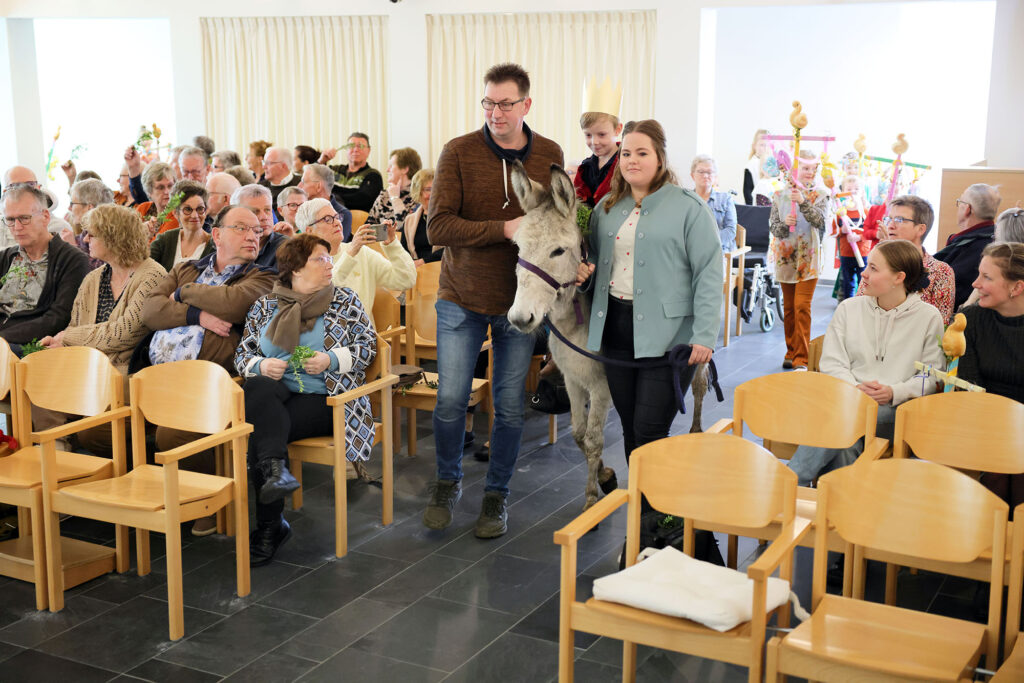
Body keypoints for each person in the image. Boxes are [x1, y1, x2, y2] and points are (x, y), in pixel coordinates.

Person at [423, 62, 564, 538]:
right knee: (449, 401)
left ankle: (496, 496)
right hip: (461, 296)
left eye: (506, 103)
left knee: (508, 406)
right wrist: (501, 229)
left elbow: (559, 222)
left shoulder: (549, 153)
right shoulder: (458, 152)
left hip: (519, 303)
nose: (495, 112)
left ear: (527, 104)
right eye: (488, 102)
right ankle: (447, 482)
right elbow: (437, 228)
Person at [585, 119, 721, 485]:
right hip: (616, 330)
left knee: (649, 430)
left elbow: (708, 272)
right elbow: (595, 263)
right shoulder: (607, 208)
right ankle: (647, 514)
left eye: (641, 153)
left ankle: (662, 513)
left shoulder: (689, 207)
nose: (632, 160)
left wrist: (705, 334)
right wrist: (585, 274)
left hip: (671, 336)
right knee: (631, 430)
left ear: (660, 158)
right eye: (626, 153)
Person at [235, 233, 376, 565]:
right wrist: (260, 364)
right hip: (279, 396)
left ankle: (271, 524)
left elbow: (368, 347)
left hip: (329, 399)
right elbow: (244, 355)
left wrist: (332, 360)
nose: (329, 264)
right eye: (320, 259)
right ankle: (275, 478)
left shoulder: (345, 300)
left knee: (259, 428)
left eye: (329, 258)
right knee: (257, 389)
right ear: (295, 269)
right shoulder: (266, 305)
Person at [139, 205, 275, 535]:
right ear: (216, 235)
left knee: (170, 434)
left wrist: (183, 294)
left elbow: (234, 303)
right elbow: (149, 309)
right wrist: (195, 316)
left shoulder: (263, 276)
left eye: (256, 230)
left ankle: (205, 501)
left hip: (211, 382)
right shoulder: (186, 267)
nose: (252, 236)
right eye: (242, 228)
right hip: (158, 378)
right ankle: (156, 496)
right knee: (100, 428)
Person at [787, 239, 944, 485]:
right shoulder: (849, 308)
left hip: (896, 413)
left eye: (873, 268)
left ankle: (787, 482)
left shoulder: (928, 317)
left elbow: (933, 376)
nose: (864, 273)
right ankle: (837, 509)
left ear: (898, 277)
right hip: (848, 403)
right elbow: (832, 363)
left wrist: (894, 391)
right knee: (847, 444)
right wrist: (856, 391)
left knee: (843, 419)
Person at [41, 204, 166, 372]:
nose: (85, 240)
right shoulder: (93, 278)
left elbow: (125, 333)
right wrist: (60, 343)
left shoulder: (152, 276)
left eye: (91, 235)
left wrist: (68, 338)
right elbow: (75, 326)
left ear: (113, 238)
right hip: (85, 365)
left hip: (126, 374)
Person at [959, 242, 1024, 508]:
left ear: (1016, 287)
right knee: (997, 470)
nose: (975, 284)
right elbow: (969, 386)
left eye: (986, 277)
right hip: (984, 423)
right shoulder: (969, 320)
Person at [296, 198, 415, 327]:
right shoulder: (301, 263)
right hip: (324, 340)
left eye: (336, 217)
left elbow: (406, 280)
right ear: (309, 231)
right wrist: (351, 252)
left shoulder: (362, 253)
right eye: (327, 219)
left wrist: (392, 245)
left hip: (363, 340)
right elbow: (326, 298)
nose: (337, 223)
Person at [0, 185, 91, 350]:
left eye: (24, 218)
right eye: (10, 220)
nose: (17, 227)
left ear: (45, 216)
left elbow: (57, 318)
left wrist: (2, 338)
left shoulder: (73, 260)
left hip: (35, 345)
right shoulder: (5, 258)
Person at [769, 149, 829, 370]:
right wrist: (784, 222)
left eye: (813, 169)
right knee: (789, 308)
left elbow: (819, 221)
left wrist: (804, 202)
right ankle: (790, 350)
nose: (810, 173)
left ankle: (801, 358)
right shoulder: (778, 196)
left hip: (808, 257)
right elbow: (775, 229)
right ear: (794, 169)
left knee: (802, 306)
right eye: (805, 168)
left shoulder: (822, 194)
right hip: (785, 259)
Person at [856, 195, 954, 324]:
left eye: (899, 220)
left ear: (920, 229)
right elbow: (859, 307)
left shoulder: (941, 271)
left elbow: (940, 326)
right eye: (888, 219)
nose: (890, 225)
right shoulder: (876, 264)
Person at [935, 183, 1000, 309]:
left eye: (959, 202)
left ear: (967, 209)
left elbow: (947, 292)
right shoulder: (994, 241)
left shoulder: (977, 247)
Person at [149, 180, 215, 271]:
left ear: (206, 211)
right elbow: (142, 265)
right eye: (187, 209)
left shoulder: (214, 246)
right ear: (176, 213)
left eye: (200, 209)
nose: (194, 215)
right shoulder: (165, 240)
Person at [319, 133, 384, 213]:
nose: (355, 150)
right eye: (351, 146)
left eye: (360, 146)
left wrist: (330, 197)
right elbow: (309, 182)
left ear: (368, 150)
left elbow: (363, 200)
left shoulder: (373, 175)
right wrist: (321, 161)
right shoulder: (333, 170)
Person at [831, 174, 870, 302]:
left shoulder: (866, 212)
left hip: (863, 253)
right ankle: (848, 305)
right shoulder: (840, 213)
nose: (853, 192)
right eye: (849, 189)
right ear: (842, 192)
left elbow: (871, 232)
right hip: (846, 253)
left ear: (862, 192)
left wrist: (859, 237)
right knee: (847, 282)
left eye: (856, 189)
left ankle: (863, 305)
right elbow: (833, 232)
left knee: (863, 281)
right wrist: (842, 230)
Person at [232, 184, 287, 270]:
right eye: (255, 212)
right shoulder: (229, 243)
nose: (264, 217)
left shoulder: (285, 248)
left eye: (267, 210)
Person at [63, 178, 114, 269]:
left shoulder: (108, 236)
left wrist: (72, 249)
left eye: (72, 203)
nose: (69, 208)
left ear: (89, 207)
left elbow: (99, 274)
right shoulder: (85, 233)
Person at [574, 111, 622, 208]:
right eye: (588, 135)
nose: (594, 142)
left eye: (601, 134)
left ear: (617, 129)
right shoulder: (585, 168)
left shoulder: (625, 164)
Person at [690, 154, 737, 252]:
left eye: (709, 172)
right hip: (691, 251)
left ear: (715, 177)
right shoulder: (686, 199)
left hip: (719, 251)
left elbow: (730, 230)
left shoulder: (725, 199)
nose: (705, 175)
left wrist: (708, 242)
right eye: (701, 172)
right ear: (692, 175)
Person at [367, 147, 421, 226]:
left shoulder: (419, 196)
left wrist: (395, 198)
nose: (387, 170)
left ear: (404, 169)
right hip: (381, 239)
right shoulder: (385, 194)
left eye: (391, 166)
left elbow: (406, 229)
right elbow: (368, 226)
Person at [299, 163, 352, 242]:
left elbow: (336, 247)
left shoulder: (342, 214)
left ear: (318, 186)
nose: (299, 186)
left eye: (303, 182)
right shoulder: (302, 209)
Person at [402, 169, 443, 265]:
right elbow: (403, 252)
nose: (434, 193)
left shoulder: (448, 218)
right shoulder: (410, 220)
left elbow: (452, 250)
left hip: (439, 271)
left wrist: (424, 261)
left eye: (436, 188)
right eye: (428, 190)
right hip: (415, 272)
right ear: (418, 192)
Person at [130, 161, 178, 240]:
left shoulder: (177, 214)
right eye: (160, 187)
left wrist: (141, 234)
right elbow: (127, 238)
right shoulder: (143, 208)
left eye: (170, 186)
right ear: (149, 191)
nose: (167, 192)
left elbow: (156, 247)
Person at [259, 146, 302, 217]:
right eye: (264, 162)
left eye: (268, 163)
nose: (264, 167)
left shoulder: (301, 184)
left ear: (283, 166)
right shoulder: (260, 189)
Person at [742, 129, 768, 205]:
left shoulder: (772, 164)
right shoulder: (751, 165)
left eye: (767, 145)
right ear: (754, 146)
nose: (765, 148)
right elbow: (747, 193)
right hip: (757, 206)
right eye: (762, 145)